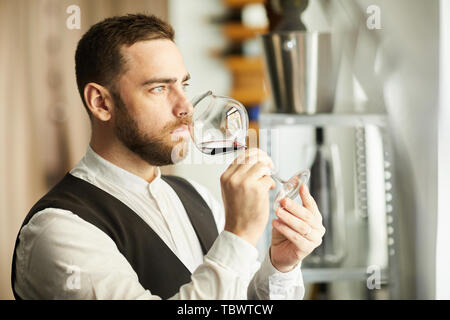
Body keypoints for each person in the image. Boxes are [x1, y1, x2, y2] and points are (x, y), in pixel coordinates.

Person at [11, 13, 325, 300]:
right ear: (101, 103)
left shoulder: (196, 197)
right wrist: (239, 235)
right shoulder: (59, 230)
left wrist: (280, 265)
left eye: (183, 85)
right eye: (159, 88)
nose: (185, 107)